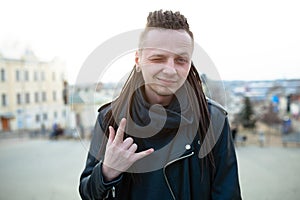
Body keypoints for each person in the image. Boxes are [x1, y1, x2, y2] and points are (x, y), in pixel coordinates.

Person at [79, 10, 242, 200]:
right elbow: (87, 193)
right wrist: (107, 172)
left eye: (181, 60)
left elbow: (228, 195)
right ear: (138, 60)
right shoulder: (110, 118)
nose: (170, 70)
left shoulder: (213, 120)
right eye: (158, 58)